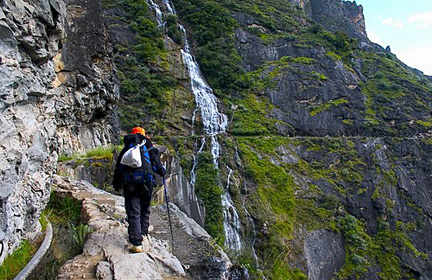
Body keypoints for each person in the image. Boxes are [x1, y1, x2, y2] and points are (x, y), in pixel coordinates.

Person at [113, 127, 165, 253]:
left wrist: (117, 184)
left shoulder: (127, 148)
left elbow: (119, 168)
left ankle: (136, 243)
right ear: (144, 135)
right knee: (145, 208)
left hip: (130, 184)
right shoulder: (149, 147)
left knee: (133, 211)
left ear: (132, 134)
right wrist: (162, 172)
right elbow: (158, 167)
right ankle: (143, 233)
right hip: (147, 184)